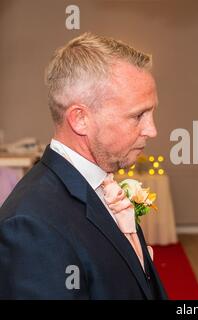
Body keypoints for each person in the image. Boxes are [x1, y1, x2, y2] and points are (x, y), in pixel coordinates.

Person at [0, 33, 167, 299]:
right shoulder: (32, 227)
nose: (152, 130)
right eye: (138, 115)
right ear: (80, 119)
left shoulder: (101, 184)